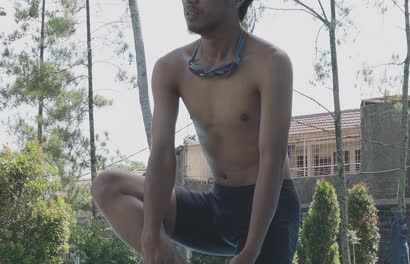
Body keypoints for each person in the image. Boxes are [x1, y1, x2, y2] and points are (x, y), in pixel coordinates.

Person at [91, 0, 300, 263]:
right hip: (217, 205)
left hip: (271, 214)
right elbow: (162, 155)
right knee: (108, 186)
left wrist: (251, 249)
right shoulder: (171, 68)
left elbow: (272, 158)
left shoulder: (270, 63)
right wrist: (151, 235)